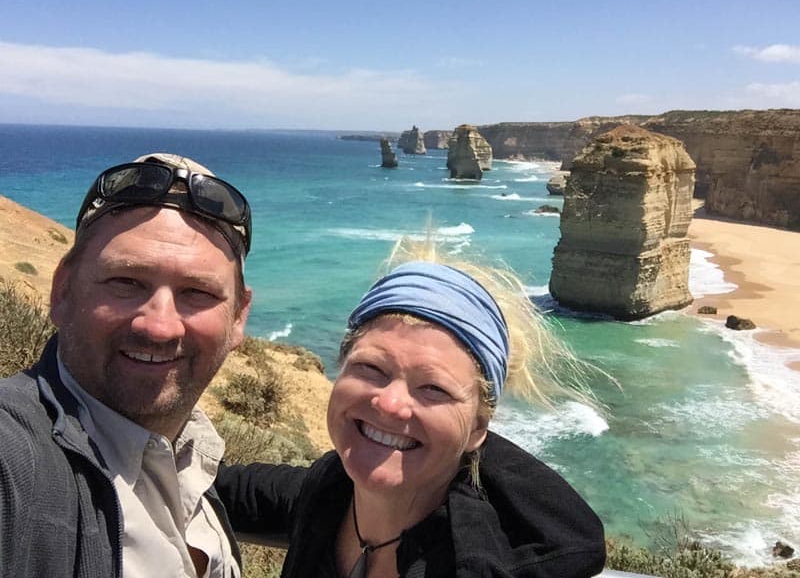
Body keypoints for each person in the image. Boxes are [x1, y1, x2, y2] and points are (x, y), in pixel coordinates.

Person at [217, 240, 607, 577]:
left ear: (477, 429)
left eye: (433, 389)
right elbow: (210, 483)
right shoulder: (327, 492)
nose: (390, 403)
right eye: (371, 368)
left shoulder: (478, 564)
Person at [0, 153, 253, 577]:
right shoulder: (16, 459)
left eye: (197, 292)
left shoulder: (192, 458)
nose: (159, 326)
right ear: (61, 291)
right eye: (126, 282)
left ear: (238, 319)